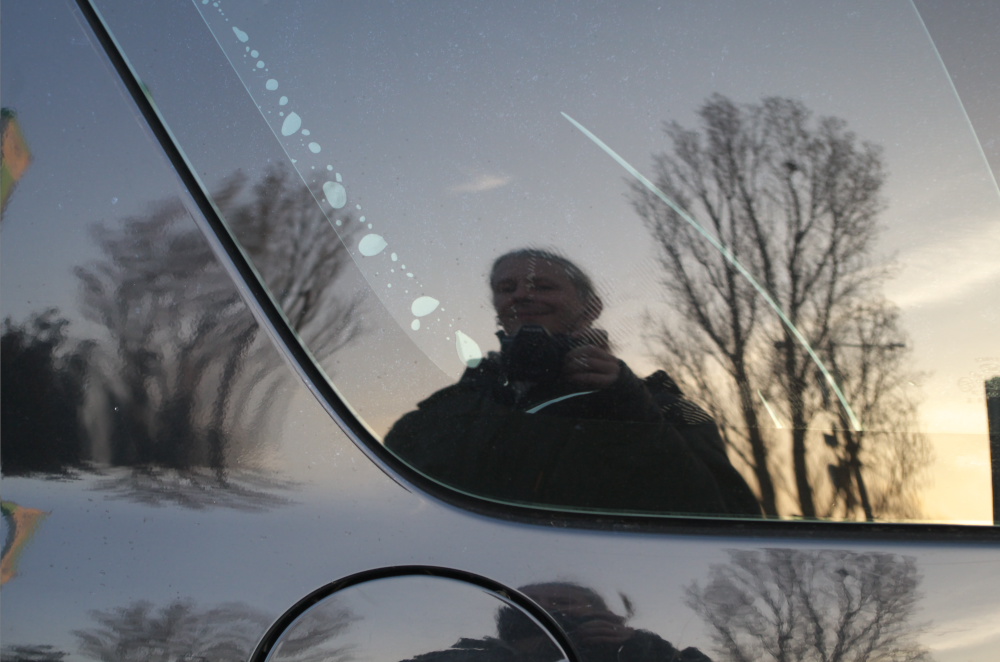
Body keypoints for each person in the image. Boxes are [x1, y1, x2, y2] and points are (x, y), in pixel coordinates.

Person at [385, 249, 760, 516]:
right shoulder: (443, 413)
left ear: (591, 307)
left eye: (542, 286)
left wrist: (629, 407)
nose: (521, 295)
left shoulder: (665, 410)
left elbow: (726, 518)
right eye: (507, 287)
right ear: (497, 307)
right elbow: (391, 506)